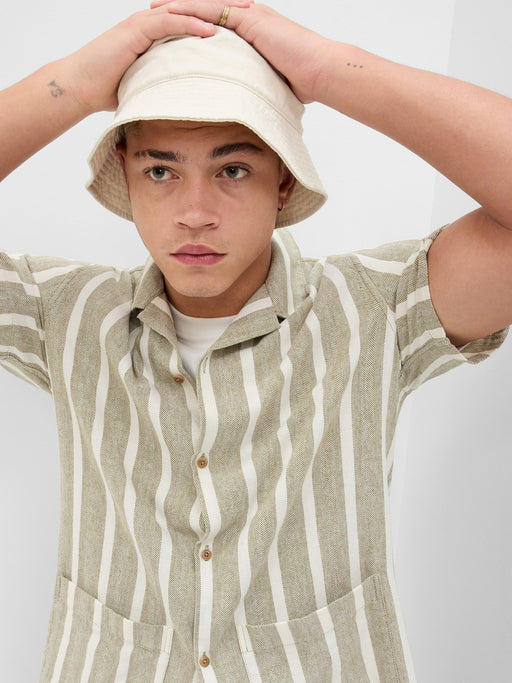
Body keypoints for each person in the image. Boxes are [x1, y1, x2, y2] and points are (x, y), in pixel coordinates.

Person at [1, 1, 511, 681]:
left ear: (284, 180)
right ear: (125, 174)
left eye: (233, 169)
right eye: (161, 171)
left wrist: (327, 70)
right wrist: (74, 82)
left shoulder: (374, 307)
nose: (195, 213)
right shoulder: (66, 312)